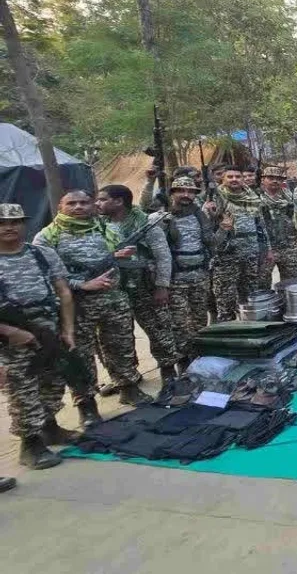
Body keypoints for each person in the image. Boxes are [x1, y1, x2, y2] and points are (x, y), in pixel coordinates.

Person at [0, 203, 96, 468]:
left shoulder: (42, 253)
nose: (8, 227)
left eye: (15, 222)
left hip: (48, 330)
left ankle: (49, 428)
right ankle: (30, 445)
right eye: (2, 223)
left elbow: (64, 292)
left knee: (53, 382)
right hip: (10, 339)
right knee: (23, 389)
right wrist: (10, 331)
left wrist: (67, 330)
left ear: (24, 224)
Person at [34, 191, 151, 407]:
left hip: (113, 299)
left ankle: (128, 388)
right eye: (72, 203)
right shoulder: (47, 237)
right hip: (76, 306)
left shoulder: (106, 229)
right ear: (60, 207)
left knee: (121, 346)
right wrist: (81, 284)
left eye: (84, 202)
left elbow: (113, 258)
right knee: (80, 354)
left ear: (93, 205)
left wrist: (117, 256)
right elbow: (44, 275)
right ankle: (86, 403)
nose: (78, 207)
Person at [96, 184, 180, 387]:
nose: (97, 204)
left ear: (119, 201)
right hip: (113, 290)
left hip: (144, 287)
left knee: (159, 330)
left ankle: (168, 370)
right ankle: (126, 378)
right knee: (118, 338)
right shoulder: (98, 226)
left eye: (103, 199)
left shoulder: (145, 224)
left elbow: (163, 256)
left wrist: (162, 286)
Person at [164, 176, 221, 365]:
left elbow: (211, 241)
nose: (186, 195)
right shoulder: (162, 216)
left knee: (199, 319)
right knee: (179, 323)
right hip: (176, 278)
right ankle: (184, 361)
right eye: (181, 190)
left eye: (190, 192)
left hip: (199, 275)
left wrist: (223, 228)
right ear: (172, 193)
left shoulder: (200, 215)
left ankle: (199, 356)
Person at [204, 167, 273, 321]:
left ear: (242, 179)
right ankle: (228, 331)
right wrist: (209, 212)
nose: (234, 179)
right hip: (226, 258)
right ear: (223, 179)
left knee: (250, 299)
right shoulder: (215, 200)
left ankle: (250, 329)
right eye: (230, 177)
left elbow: (261, 226)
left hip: (250, 256)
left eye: (237, 176)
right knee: (225, 301)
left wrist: (268, 249)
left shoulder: (252, 198)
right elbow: (206, 231)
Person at [258, 166, 297, 284]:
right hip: (266, 249)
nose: (275, 181)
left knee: (292, 283)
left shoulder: (290, 197)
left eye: (278, 179)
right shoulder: (255, 199)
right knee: (263, 284)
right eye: (271, 178)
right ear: (263, 180)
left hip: (289, 248)